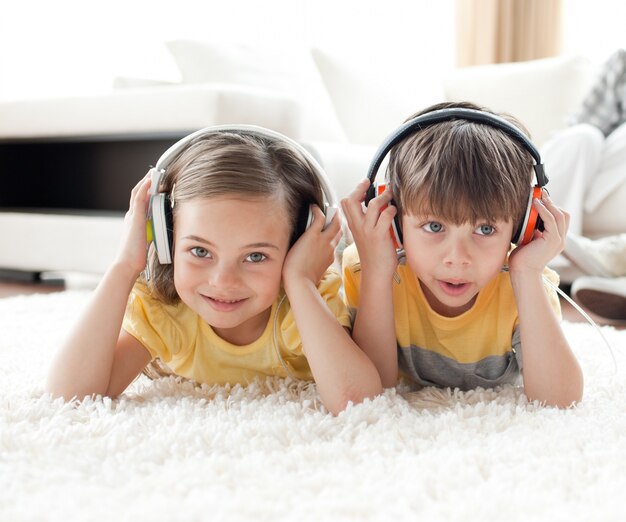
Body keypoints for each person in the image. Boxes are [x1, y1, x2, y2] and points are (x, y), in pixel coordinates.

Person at [45, 125, 382, 415]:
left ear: (298, 246)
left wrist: (299, 280)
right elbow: (70, 395)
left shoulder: (302, 303)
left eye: (255, 257)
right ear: (165, 238)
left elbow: (358, 401)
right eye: (200, 251)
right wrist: (124, 266)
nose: (223, 281)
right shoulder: (166, 312)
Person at [341, 101, 584, 409]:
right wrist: (377, 269)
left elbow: (560, 400)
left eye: (484, 230)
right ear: (396, 223)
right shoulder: (370, 269)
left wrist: (527, 274)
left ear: (522, 226)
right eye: (433, 226)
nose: (457, 258)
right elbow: (373, 387)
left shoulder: (526, 281)